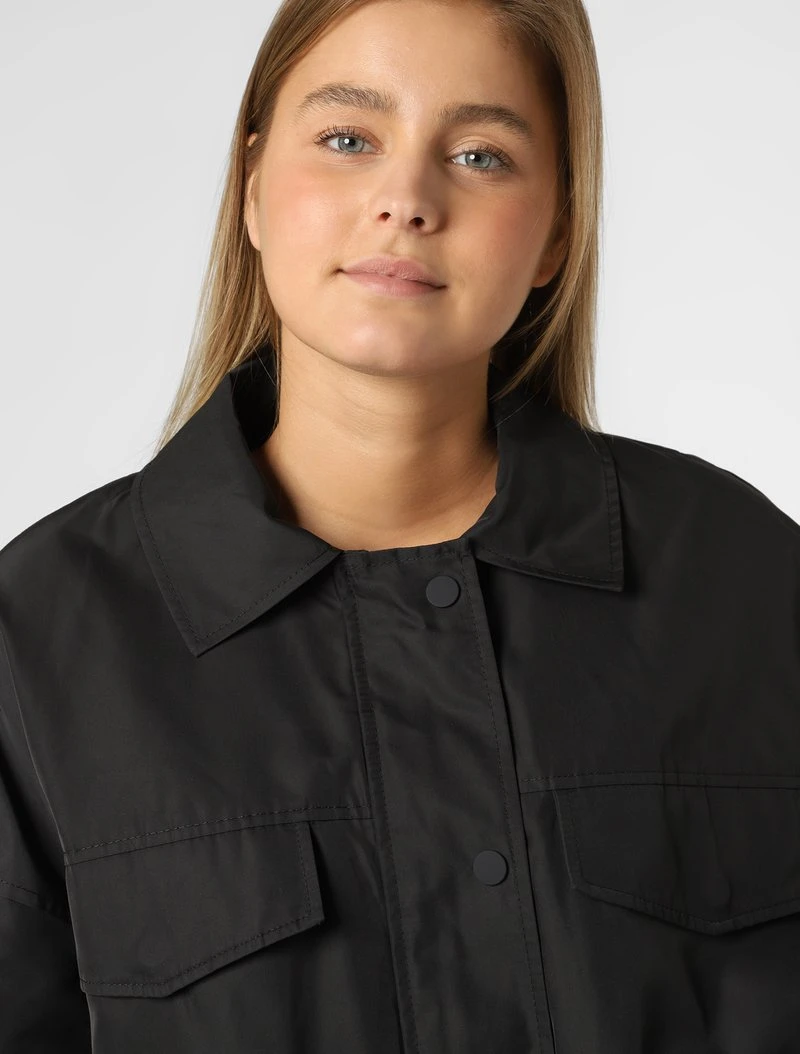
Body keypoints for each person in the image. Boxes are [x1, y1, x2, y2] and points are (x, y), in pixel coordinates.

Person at [1, 1, 799, 1052]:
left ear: (558, 230)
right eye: (347, 138)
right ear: (251, 183)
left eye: (480, 155)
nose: (406, 201)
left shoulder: (739, 577)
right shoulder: (39, 637)